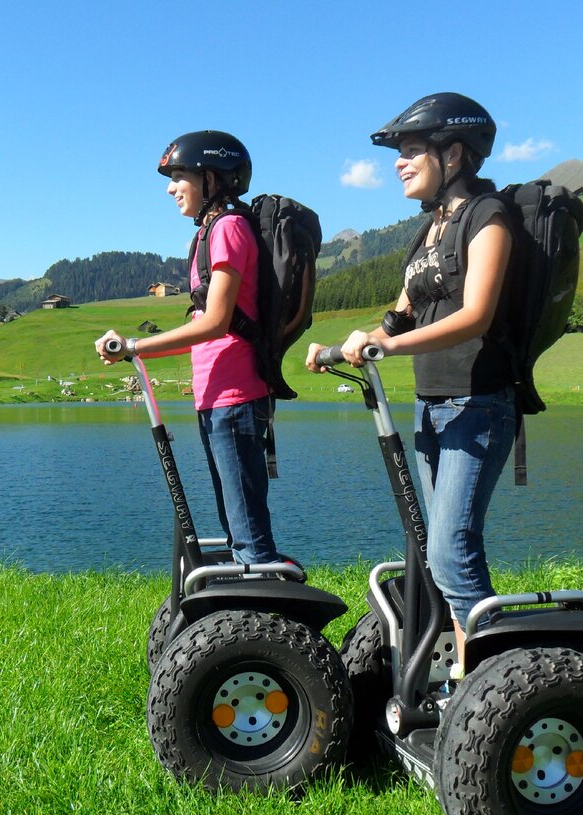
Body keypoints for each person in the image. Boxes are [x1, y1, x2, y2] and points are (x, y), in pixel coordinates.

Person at [306, 93, 517, 667]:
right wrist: (344, 346)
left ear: (454, 154)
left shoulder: (488, 216)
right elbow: (398, 317)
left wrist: (391, 346)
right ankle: (470, 670)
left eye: (412, 150)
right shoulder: (428, 232)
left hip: (478, 405)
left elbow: (477, 314)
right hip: (432, 405)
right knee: (441, 552)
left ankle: (491, 682)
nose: (399, 163)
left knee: (451, 551)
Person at [95, 130, 280, 566]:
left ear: (211, 178)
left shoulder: (228, 228)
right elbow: (202, 323)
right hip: (217, 399)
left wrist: (135, 345)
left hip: (236, 397)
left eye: (180, 176)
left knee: (247, 532)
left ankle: (263, 600)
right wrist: (134, 349)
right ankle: (246, 596)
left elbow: (216, 322)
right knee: (236, 526)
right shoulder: (208, 233)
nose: (171, 188)